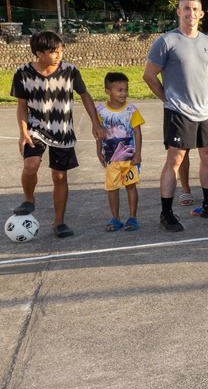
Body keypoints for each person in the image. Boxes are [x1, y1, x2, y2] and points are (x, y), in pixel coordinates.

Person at [144, 0, 208, 231]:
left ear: (201, 14)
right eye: (186, 8)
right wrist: (167, 98)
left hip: (206, 110)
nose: (191, 13)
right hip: (178, 110)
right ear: (178, 12)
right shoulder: (166, 41)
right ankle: (166, 213)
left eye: (195, 9)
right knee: (175, 159)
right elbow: (149, 76)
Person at [12, 30, 104, 237]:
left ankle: (59, 222)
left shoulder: (70, 71)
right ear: (39, 53)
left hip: (62, 132)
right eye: (54, 52)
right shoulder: (23, 73)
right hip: (35, 128)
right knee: (31, 165)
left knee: (60, 177)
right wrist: (23, 131)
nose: (59, 55)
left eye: (61, 51)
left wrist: (95, 124)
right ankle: (29, 199)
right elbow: (21, 105)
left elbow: (85, 96)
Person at [97, 72, 144, 232]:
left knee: (131, 186)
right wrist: (98, 151)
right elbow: (99, 132)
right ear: (108, 92)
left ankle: (132, 217)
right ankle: (115, 218)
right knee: (112, 188)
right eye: (119, 90)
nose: (124, 93)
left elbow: (137, 132)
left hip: (130, 157)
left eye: (126, 89)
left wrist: (137, 154)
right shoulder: (101, 110)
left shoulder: (131, 110)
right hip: (111, 158)